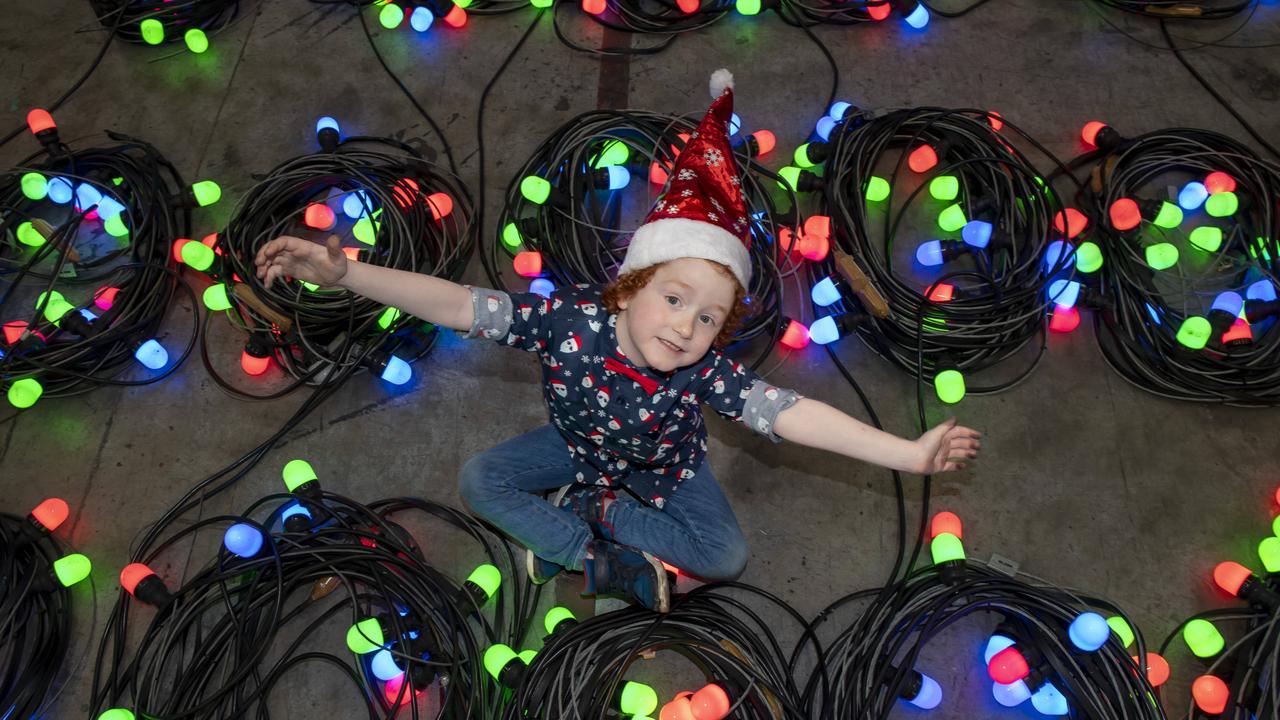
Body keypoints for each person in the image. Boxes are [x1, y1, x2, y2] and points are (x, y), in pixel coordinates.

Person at [255, 70, 981, 613]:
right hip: (575, 447)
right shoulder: (567, 324)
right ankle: (592, 554)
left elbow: (794, 413)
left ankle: (593, 514)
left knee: (725, 554)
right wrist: (345, 271)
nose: (685, 327)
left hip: (665, 468)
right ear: (631, 288)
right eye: (674, 299)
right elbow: (454, 304)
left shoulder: (703, 372)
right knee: (481, 480)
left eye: (708, 318)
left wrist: (909, 454)